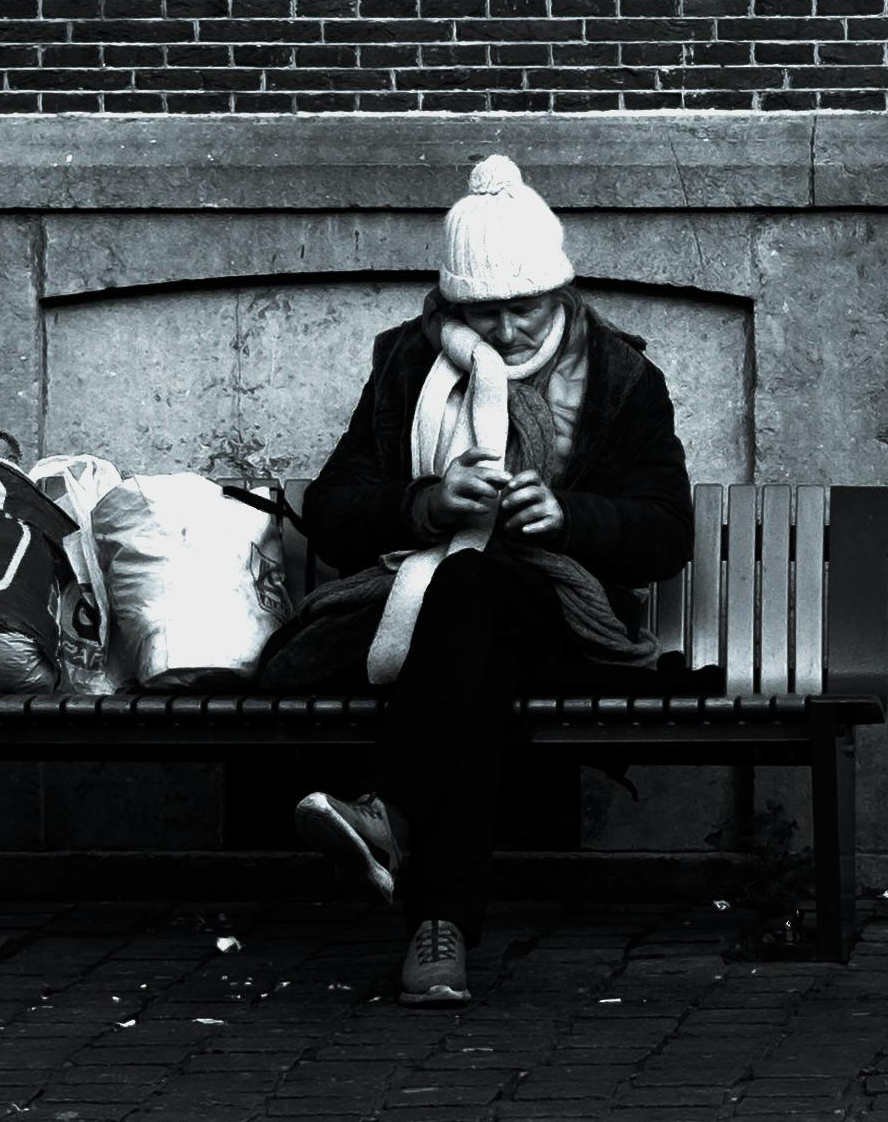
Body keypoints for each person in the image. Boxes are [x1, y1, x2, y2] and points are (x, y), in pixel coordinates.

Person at [284, 154, 693, 1005]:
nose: (504, 331)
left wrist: (570, 518)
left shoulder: (619, 378)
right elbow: (332, 508)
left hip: (568, 620)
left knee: (472, 600)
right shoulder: (408, 365)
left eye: (524, 307)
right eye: (482, 311)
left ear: (559, 289)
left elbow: (666, 534)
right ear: (451, 304)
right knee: (474, 639)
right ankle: (437, 933)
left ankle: (392, 819)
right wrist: (426, 502)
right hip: (441, 614)